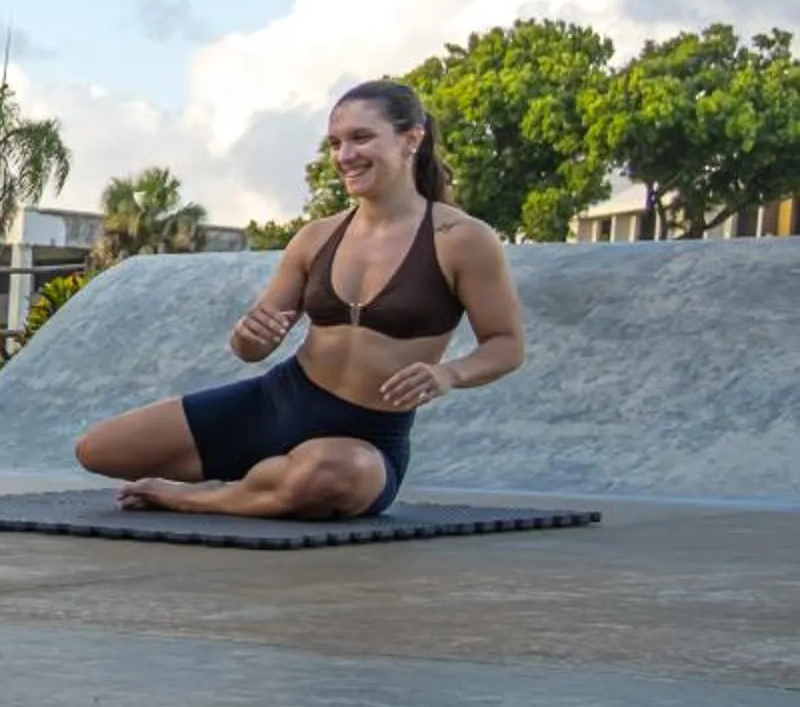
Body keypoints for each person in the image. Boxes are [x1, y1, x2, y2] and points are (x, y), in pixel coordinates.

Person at [72, 79, 528, 519]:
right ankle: (264, 485)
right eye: (335, 143)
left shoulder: (460, 238)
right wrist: (249, 336)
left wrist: (449, 372)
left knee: (332, 475)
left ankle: (202, 497)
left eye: (361, 138)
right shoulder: (316, 237)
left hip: (364, 440)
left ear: (411, 139)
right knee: (98, 449)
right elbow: (251, 350)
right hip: (277, 404)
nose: (345, 155)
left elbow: (506, 344)